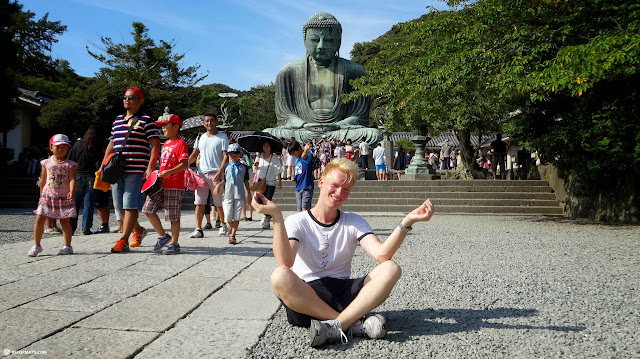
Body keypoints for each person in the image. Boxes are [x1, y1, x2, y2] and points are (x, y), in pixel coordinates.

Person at [251, 158, 435, 347]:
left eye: (346, 189)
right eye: (335, 185)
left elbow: (382, 255)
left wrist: (407, 222)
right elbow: (286, 261)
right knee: (280, 275)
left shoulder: (353, 221)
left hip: (343, 294)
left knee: (391, 268)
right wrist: (277, 217)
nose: (339, 193)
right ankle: (352, 324)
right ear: (321, 182)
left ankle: (336, 326)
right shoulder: (298, 221)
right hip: (306, 298)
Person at [264, 12, 381, 144]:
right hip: (303, 131)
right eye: (315, 40)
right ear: (305, 41)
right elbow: (285, 116)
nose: (321, 45)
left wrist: (338, 125)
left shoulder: (355, 71)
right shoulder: (288, 72)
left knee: (373, 134)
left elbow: (359, 116)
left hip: (339, 130)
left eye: (329, 40)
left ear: (338, 42)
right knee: (269, 133)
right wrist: (303, 125)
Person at [104, 87, 161, 253]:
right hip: (116, 170)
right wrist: (103, 165)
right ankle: (139, 230)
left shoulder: (146, 120)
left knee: (130, 205)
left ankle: (123, 240)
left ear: (140, 101)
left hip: (136, 169)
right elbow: (112, 143)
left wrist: (150, 167)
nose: (127, 100)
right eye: (125, 97)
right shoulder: (117, 120)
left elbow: (155, 143)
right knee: (119, 205)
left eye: (131, 97)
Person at [142, 113, 189, 255]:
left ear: (176, 126)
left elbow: (184, 164)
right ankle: (163, 236)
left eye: (165, 125)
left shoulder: (181, 143)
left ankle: (174, 243)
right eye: (161, 126)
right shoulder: (166, 143)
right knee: (148, 209)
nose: (163, 129)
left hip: (175, 184)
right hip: (161, 183)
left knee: (172, 216)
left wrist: (168, 172)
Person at [28, 134, 77, 257]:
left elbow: (72, 179)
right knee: (40, 219)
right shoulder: (46, 163)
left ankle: (67, 246)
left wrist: (72, 190)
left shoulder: (70, 164)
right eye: (58, 147)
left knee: (64, 220)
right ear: (51, 148)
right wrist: (41, 195)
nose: (61, 149)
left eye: (64, 147)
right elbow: (43, 179)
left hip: (63, 196)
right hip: (47, 195)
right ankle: (37, 245)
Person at [188, 112, 229, 239]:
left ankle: (223, 224)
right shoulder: (200, 137)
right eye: (206, 121)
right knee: (199, 203)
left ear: (217, 122)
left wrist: (220, 171)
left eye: (212, 120)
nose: (209, 123)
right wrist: (183, 165)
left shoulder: (222, 138)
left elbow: (225, 156)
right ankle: (198, 228)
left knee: (218, 202)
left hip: (216, 174)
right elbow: (194, 154)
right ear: (203, 123)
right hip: (201, 174)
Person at [214, 143, 252, 245]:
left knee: (236, 216)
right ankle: (230, 228)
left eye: (235, 153)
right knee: (227, 216)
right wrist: (218, 186)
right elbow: (225, 180)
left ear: (240, 154)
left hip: (239, 194)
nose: (233, 156)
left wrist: (249, 193)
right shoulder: (226, 166)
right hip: (228, 194)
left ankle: (233, 235)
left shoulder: (244, 167)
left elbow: (246, 182)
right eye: (230, 154)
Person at [68, 126, 103, 235]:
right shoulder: (96, 147)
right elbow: (98, 164)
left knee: (75, 204)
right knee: (89, 204)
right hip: (90, 177)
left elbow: (70, 159)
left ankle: (71, 229)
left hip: (77, 176)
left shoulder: (77, 144)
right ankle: (86, 228)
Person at [253, 141, 283, 230]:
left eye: (267, 145)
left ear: (271, 147)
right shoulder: (259, 156)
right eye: (264, 145)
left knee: (267, 200)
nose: (266, 147)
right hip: (260, 181)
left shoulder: (274, 157)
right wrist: (256, 166)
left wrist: (280, 181)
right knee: (259, 201)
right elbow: (255, 170)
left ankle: (267, 219)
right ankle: (266, 215)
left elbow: (279, 170)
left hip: (271, 182)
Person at [289, 141, 314, 212]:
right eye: (292, 154)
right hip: (298, 187)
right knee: (299, 209)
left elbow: (303, 156)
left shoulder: (308, 155)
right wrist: (293, 176)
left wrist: (306, 149)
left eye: (294, 153)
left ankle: (307, 222)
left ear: (299, 149)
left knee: (305, 208)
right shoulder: (297, 160)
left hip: (307, 186)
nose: (294, 155)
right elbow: (297, 170)